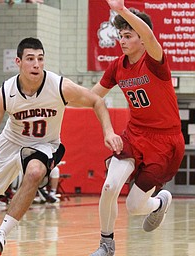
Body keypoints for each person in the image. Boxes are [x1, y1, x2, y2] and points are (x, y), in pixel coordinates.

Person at [0, 37, 123, 256]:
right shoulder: (5, 93)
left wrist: (109, 131)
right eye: (30, 59)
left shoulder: (59, 86)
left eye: (40, 59)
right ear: (18, 61)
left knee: (35, 171)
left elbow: (97, 101)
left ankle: (0, 234)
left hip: (44, 144)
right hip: (11, 143)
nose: (36, 64)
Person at [89, 1, 185, 256]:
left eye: (128, 35)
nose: (122, 40)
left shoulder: (154, 60)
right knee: (110, 186)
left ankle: (159, 202)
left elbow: (151, 36)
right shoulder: (117, 66)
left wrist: (121, 10)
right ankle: (106, 244)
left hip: (166, 142)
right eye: (120, 35)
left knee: (134, 206)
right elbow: (92, 96)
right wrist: (59, 95)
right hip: (135, 134)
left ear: (141, 38)